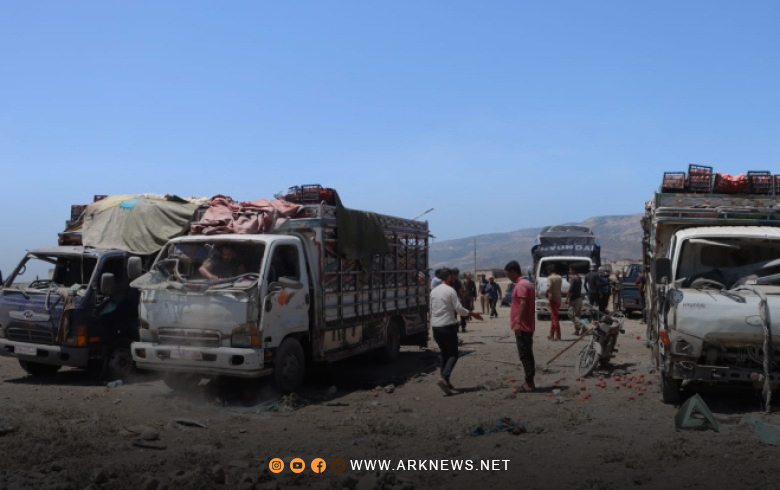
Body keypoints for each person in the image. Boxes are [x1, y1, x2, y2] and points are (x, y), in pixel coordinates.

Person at [430, 268, 483, 395]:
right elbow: (459, 309)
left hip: (436, 327)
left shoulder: (433, 291)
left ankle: (446, 382)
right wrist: (472, 313)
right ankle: (444, 378)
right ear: (448, 277)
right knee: (453, 354)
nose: (454, 278)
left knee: (445, 354)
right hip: (447, 326)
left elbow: (431, 309)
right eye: (452, 276)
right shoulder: (450, 290)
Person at [504, 260, 536, 393]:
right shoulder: (526, 283)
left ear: (513, 271)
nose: (507, 277)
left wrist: (518, 323)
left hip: (523, 326)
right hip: (526, 325)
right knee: (526, 354)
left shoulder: (522, 285)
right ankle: (529, 382)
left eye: (508, 274)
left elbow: (523, 303)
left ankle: (529, 384)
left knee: (525, 355)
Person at [546, 265, 562, 341]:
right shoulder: (559, 278)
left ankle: (558, 336)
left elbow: (549, 287)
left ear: (549, 271)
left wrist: (546, 293)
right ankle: (551, 334)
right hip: (559, 299)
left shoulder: (550, 278)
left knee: (555, 318)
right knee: (553, 317)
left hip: (553, 299)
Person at [567, 265, 585, 335]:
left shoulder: (573, 278)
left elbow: (571, 290)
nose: (569, 271)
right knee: (577, 315)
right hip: (579, 298)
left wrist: (567, 298)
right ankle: (577, 331)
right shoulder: (579, 278)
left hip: (574, 299)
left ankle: (583, 327)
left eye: (570, 270)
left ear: (574, 270)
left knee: (570, 314)